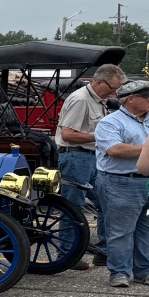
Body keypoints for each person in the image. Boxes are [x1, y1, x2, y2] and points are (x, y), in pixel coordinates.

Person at [56, 62, 125, 266]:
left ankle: (103, 252)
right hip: (76, 157)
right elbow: (68, 135)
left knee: (106, 203)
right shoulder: (81, 99)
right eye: (112, 88)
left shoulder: (98, 100)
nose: (114, 93)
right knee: (73, 207)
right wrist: (101, 136)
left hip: (91, 158)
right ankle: (66, 255)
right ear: (99, 82)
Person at [94, 77, 149, 287]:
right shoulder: (110, 122)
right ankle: (119, 272)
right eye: (147, 97)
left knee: (147, 227)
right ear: (131, 99)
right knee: (121, 231)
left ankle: (145, 270)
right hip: (120, 182)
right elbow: (114, 149)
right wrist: (148, 150)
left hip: (147, 182)